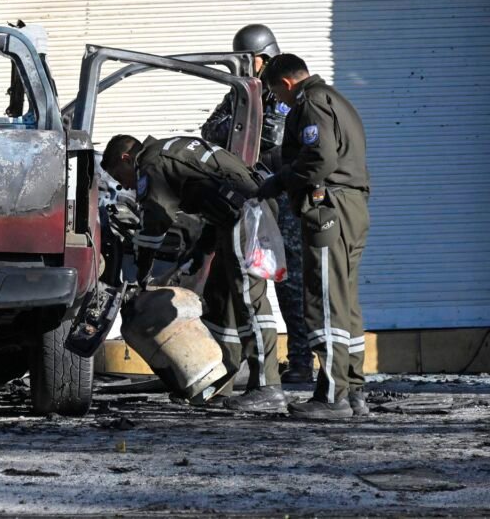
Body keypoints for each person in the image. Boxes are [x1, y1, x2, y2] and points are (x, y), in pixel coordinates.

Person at [101, 133, 287, 413]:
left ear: (127, 158)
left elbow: (156, 219)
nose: (121, 184)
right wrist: (201, 250)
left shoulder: (151, 163)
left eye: (119, 175)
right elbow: (211, 189)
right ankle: (218, 382)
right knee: (221, 300)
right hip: (234, 214)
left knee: (249, 299)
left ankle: (267, 387)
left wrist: (141, 271)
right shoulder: (170, 148)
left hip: (244, 213)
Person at [257, 53, 371, 419]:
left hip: (328, 208)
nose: (279, 100)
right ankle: (353, 392)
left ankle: (332, 397)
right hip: (351, 206)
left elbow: (319, 159)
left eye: (276, 93)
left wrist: (282, 180)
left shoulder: (310, 104)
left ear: (285, 84)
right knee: (344, 300)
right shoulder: (338, 100)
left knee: (323, 299)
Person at [202, 24, 313, 384]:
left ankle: (300, 362)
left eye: (249, 60)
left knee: (291, 283)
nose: (245, 68)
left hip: (285, 196)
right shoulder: (241, 93)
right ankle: (258, 360)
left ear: (264, 56)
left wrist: (253, 125)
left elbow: (279, 136)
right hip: (253, 196)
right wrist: (242, 122)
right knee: (250, 277)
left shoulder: (284, 91)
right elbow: (211, 129)